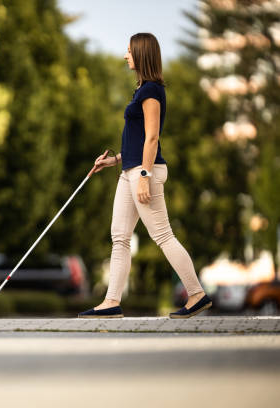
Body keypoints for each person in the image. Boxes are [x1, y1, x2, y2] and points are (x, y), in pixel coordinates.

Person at [78, 33, 212, 319]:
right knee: (120, 237)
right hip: (131, 170)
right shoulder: (141, 90)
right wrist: (114, 161)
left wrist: (143, 175)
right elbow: (137, 140)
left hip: (144, 172)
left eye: (129, 51)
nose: (125, 56)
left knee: (162, 235)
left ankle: (197, 294)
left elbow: (152, 138)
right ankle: (111, 301)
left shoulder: (151, 90)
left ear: (141, 54)